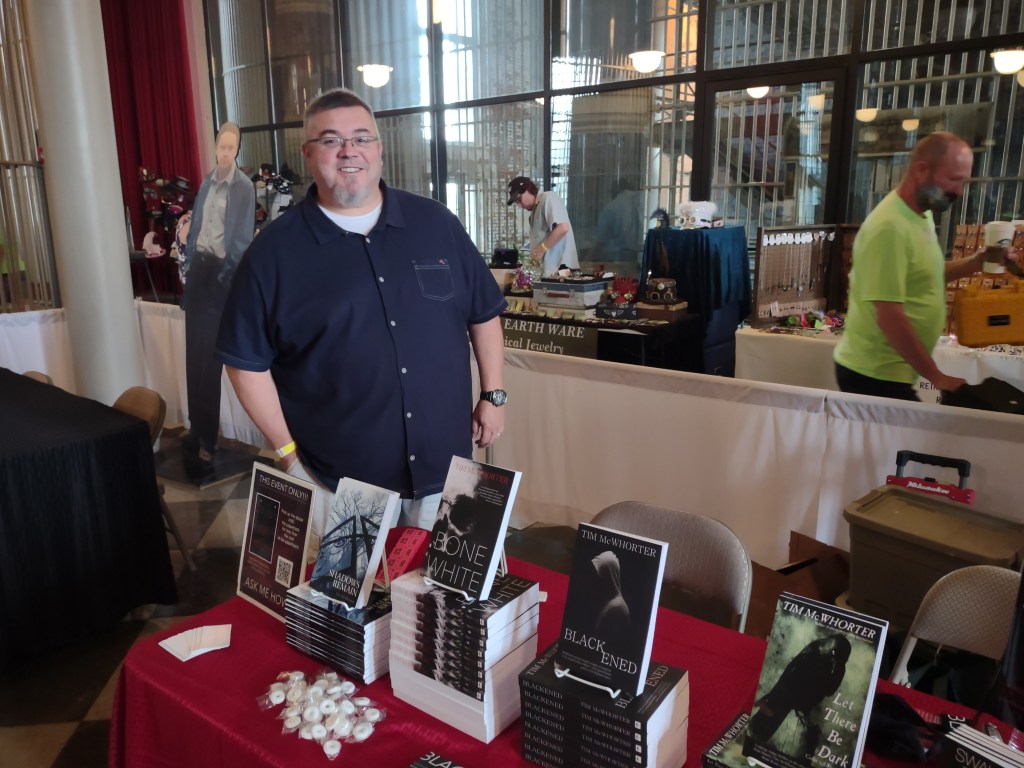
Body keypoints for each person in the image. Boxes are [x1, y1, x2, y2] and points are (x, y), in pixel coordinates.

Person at [216, 88, 507, 537]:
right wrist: (288, 454)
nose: (349, 150)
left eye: (361, 138)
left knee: (444, 584)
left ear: (379, 149)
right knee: (349, 587)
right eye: (331, 140)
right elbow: (244, 362)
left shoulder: (436, 224)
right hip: (342, 485)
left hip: (449, 475)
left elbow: (483, 313)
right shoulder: (273, 253)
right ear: (308, 153)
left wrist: (494, 395)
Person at [833, 132, 987, 401]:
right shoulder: (889, 228)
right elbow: (889, 317)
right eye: (954, 179)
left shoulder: (921, 215)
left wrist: (975, 263)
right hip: (873, 374)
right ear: (922, 170)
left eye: (963, 181)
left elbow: (925, 275)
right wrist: (938, 377)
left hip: (892, 373)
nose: (959, 192)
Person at [181, 122, 256, 480]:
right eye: (221, 147)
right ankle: (195, 428)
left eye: (231, 148)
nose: (225, 153)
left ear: (237, 150)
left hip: (220, 278)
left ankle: (207, 440)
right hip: (199, 272)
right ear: (215, 148)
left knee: (209, 363)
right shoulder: (206, 183)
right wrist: (189, 270)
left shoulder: (243, 187)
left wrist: (223, 280)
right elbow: (196, 230)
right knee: (191, 358)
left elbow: (241, 240)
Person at [507, 176, 579, 276]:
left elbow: (563, 228)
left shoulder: (547, 198)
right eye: (516, 202)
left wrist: (541, 249)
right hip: (550, 273)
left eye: (519, 199)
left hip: (562, 271)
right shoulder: (533, 214)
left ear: (528, 189)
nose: (519, 206)